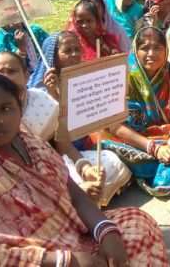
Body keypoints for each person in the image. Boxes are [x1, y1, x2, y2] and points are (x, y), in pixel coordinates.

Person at [0, 71, 169, 266]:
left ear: (18, 108)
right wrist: (65, 261)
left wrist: (106, 232)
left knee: (137, 224)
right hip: (26, 261)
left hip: (69, 235)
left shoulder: (28, 141)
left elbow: (73, 194)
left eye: (5, 109)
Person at [27, 32, 133, 207]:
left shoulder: (83, 78)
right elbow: (59, 136)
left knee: (113, 161)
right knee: (75, 180)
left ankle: (93, 198)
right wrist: (53, 94)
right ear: (53, 56)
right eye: (67, 51)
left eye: (77, 49)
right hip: (60, 155)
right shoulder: (40, 92)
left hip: (83, 148)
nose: (74, 54)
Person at [96, 27, 170, 201]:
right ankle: (168, 172)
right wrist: (154, 148)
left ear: (166, 50)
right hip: (135, 138)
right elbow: (115, 125)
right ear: (135, 50)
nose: (151, 53)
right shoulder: (122, 78)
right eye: (145, 48)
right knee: (115, 150)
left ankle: (168, 167)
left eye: (157, 48)